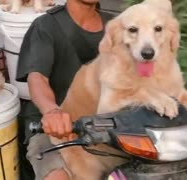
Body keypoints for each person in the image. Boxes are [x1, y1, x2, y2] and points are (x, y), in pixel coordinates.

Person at [16, 0, 114, 179]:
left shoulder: (118, 27)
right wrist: (52, 111)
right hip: (53, 130)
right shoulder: (45, 25)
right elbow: (37, 78)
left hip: (108, 128)